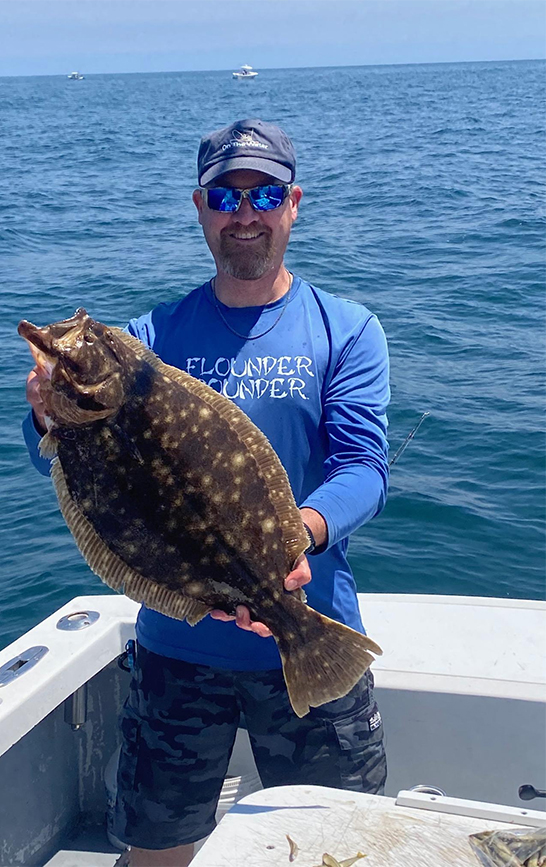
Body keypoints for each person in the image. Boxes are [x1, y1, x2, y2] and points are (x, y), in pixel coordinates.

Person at [23, 118, 390, 867]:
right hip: (176, 648)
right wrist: (44, 412)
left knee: (343, 847)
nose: (245, 214)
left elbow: (364, 469)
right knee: (156, 849)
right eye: (225, 196)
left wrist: (299, 534)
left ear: (294, 204)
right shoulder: (148, 338)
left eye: (265, 195)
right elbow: (53, 459)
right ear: (200, 208)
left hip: (309, 615)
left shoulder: (347, 330)